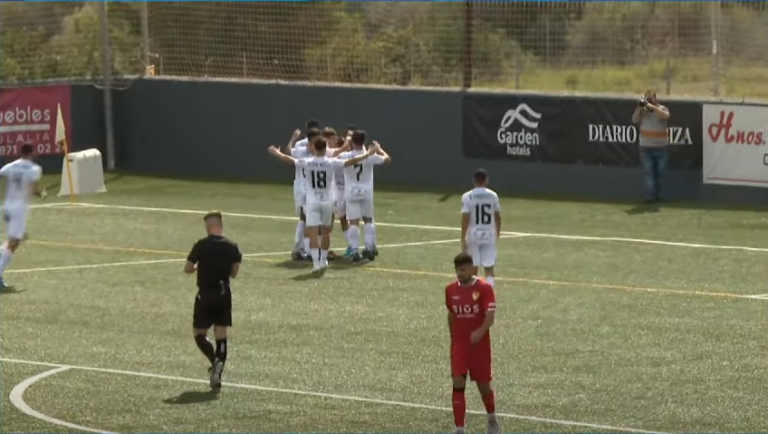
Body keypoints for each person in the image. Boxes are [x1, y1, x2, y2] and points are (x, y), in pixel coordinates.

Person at [268, 137, 379, 273]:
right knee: (326, 232)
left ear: (314, 147)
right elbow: (351, 161)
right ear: (326, 148)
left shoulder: (308, 162)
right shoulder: (331, 162)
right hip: (327, 201)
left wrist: (277, 153)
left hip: (312, 201)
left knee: (313, 232)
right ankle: (323, 260)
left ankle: (316, 263)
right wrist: (368, 153)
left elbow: (290, 160)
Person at [184, 211, 242, 390]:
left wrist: (196, 268)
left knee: (199, 333)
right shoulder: (233, 247)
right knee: (221, 335)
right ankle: (218, 366)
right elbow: (234, 273)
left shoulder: (201, 245)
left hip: (205, 294)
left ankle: (214, 361)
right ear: (221, 226)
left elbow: (188, 268)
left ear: (208, 227)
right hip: (224, 294)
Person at [445, 253, 499, 434]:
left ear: (471, 268)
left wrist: (480, 331)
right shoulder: (450, 290)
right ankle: (459, 428)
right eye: (457, 270)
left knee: (484, 386)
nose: (459, 273)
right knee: (458, 382)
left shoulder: (484, 288)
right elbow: (451, 314)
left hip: (480, 348)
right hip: (460, 347)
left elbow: (490, 317)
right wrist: (454, 339)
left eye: (462, 269)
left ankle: (492, 418)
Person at [338, 130, 391, 262]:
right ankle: (369, 248)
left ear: (352, 141)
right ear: (364, 141)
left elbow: (337, 158)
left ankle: (355, 250)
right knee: (368, 219)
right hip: (366, 191)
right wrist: (379, 149)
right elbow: (388, 160)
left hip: (351, 192)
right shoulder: (370, 155)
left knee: (353, 222)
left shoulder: (345, 155)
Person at [0, 144, 46, 288]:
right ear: (32, 153)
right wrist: (42, 193)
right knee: (15, 240)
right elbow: (33, 188)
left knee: (14, 238)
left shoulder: (11, 166)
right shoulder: (34, 169)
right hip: (19, 208)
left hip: (7, 206)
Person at [460, 169, 501, 288]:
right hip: (489, 234)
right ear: (486, 180)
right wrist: (497, 231)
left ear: (474, 180)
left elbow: (465, 218)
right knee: (489, 267)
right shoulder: (493, 195)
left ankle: (474, 295)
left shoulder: (467, 196)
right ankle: (489, 294)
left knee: (473, 267)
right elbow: (497, 216)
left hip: (473, 235)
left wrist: (463, 237)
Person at [286, 128, 322, 261]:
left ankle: (299, 248)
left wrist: (293, 139)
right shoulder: (306, 151)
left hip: (306, 188)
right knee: (308, 219)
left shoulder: (303, 150)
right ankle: (307, 250)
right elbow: (289, 153)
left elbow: (289, 151)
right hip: (304, 188)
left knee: (304, 218)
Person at [632, 90, 670, 203]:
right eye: (646, 98)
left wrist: (652, 107)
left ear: (655, 98)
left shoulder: (661, 109)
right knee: (649, 173)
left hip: (660, 147)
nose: (648, 100)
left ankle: (658, 195)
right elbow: (634, 120)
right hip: (645, 148)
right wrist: (640, 108)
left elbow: (665, 116)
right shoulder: (643, 112)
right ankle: (650, 197)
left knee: (659, 173)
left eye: (650, 98)